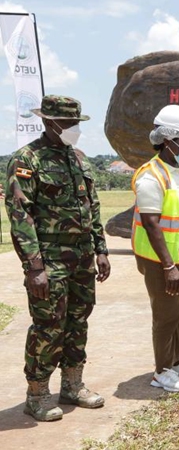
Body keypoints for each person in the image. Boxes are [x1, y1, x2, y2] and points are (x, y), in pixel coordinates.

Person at [5, 95, 110, 421]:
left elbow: (92, 207)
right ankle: (36, 395)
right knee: (48, 326)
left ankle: (72, 385)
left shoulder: (79, 159)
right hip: (49, 260)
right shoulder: (27, 160)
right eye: (70, 124)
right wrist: (34, 266)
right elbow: (21, 216)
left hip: (81, 259)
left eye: (77, 123)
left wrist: (101, 249)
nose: (75, 130)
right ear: (51, 122)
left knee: (78, 321)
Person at [132, 105, 179, 392]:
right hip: (162, 256)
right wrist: (168, 265)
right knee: (167, 315)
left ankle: (178, 362)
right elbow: (151, 224)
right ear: (166, 139)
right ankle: (161, 370)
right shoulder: (151, 175)